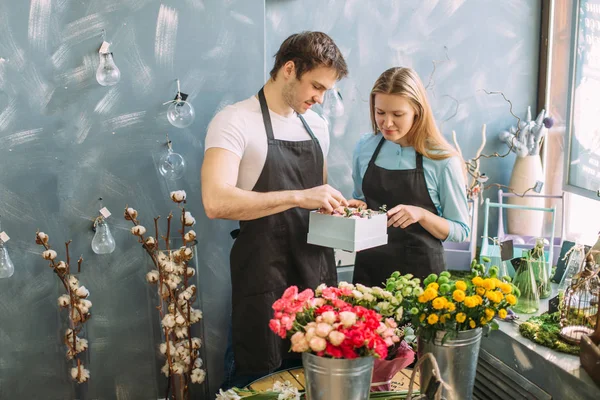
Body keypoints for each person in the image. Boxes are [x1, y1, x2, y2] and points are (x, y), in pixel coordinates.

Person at [201, 31, 349, 389]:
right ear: (288, 69)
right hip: (264, 276)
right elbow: (215, 201)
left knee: (317, 381)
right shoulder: (234, 120)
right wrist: (298, 196)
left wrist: (343, 207)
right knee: (259, 379)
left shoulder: (317, 125)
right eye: (316, 86)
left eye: (326, 90)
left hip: (316, 272)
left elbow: (317, 194)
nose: (320, 98)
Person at [350, 67, 470, 287]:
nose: (387, 123)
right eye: (380, 112)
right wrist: (356, 207)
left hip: (422, 279)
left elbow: (461, 231)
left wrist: (421, 215)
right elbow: (361, 200)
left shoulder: (443, 160)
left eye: (397, 114)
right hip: (369, 272)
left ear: (417, 110)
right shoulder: (364, 148)